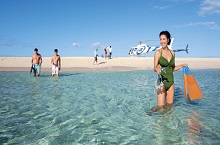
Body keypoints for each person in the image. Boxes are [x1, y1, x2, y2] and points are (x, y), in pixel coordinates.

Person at [152, 31, 187, 111]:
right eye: (160, 39)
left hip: (171, 82)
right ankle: (153, 113)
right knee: (161, 107)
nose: (162, 41)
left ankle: (169, 123)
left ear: (168, 40)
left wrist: (182, 65)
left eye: (164, 39)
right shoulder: (158, 53)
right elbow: (155, 67)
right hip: (161, 83)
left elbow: (172, 68)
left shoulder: (172, 53)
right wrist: (158, 69)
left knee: (169, 107)